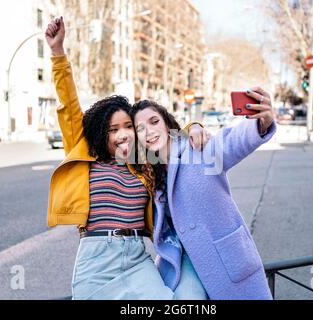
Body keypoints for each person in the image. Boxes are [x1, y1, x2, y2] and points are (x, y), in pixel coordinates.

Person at [45, 17, 208, 300]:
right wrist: (58, 52)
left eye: (127, 126)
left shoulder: (144, 162)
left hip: (137, 258)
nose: (122, 135)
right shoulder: (88, 156)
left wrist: (194, 127)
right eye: (113, 129)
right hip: (96, 259)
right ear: (101, 134)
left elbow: (169, 135)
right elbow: (69, 106)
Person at [131, 87, 277, 300]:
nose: (150, 132)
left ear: (167, 123)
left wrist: (261, 123)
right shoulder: (149, 174)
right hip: (182, 266)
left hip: (226, 262)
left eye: (154, 122)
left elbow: (234, 141)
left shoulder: (199, 149)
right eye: (141, 128)